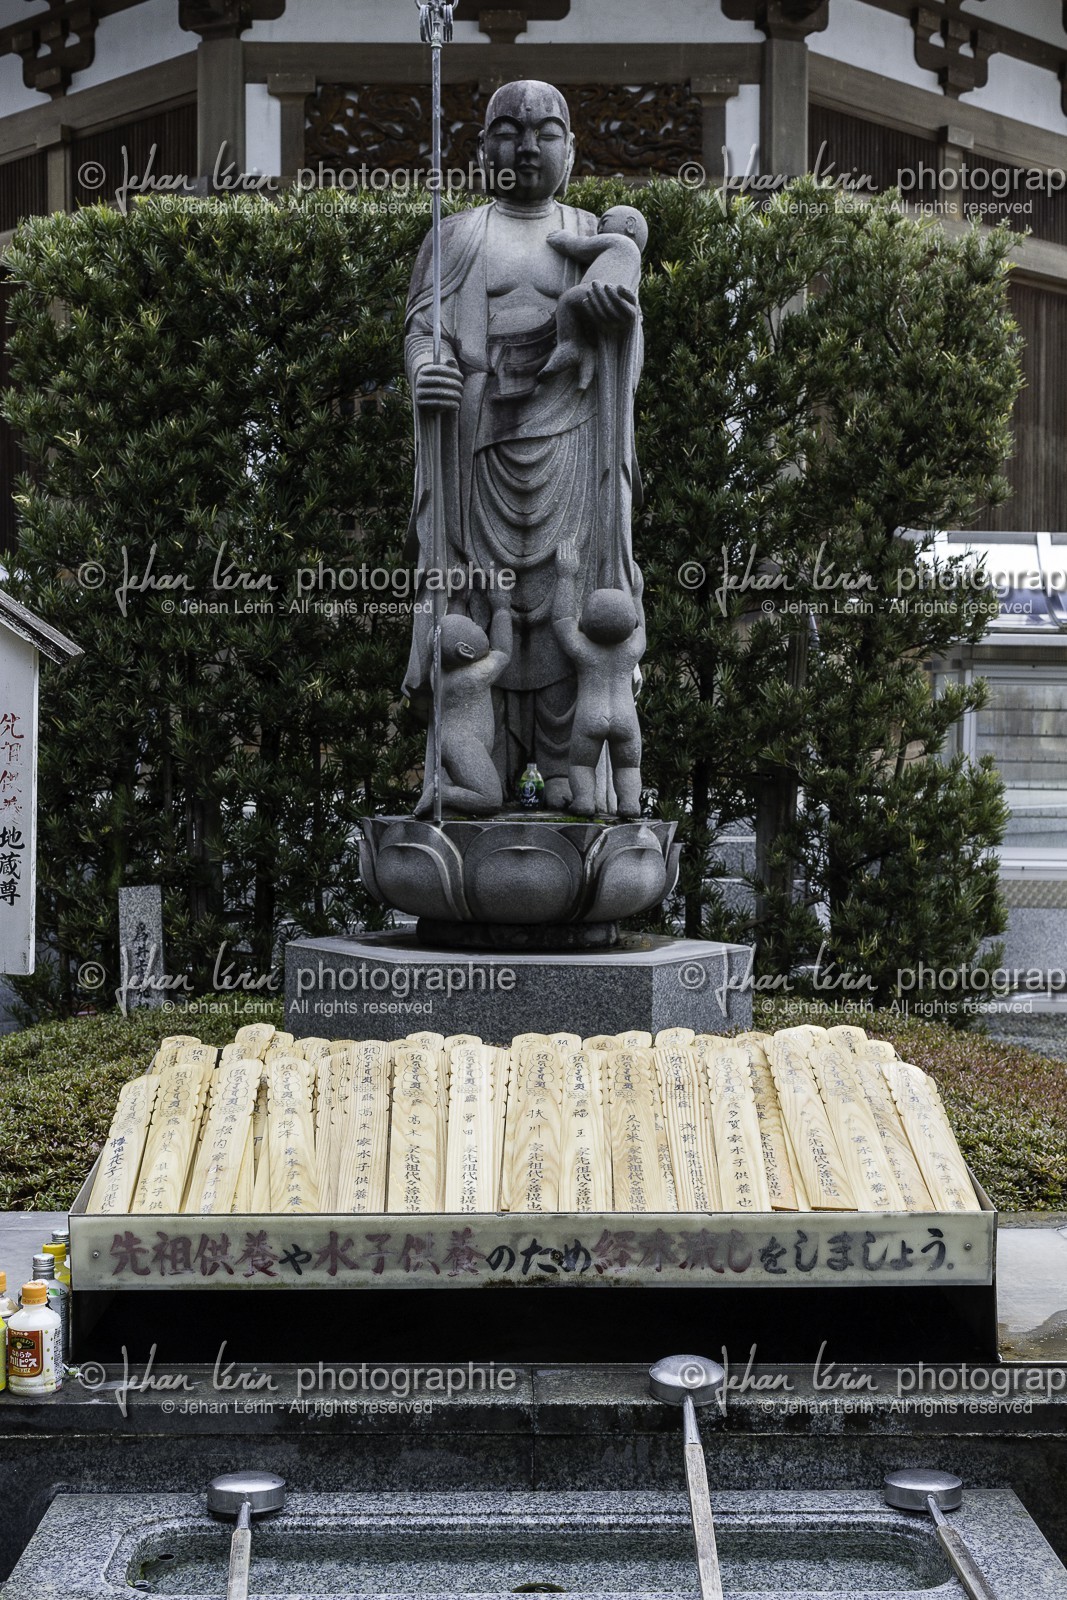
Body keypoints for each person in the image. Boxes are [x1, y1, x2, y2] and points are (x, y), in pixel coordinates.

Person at [402, 80, 644, 812]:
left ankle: (571, 774)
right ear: (483, 150)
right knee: (477, 601)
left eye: (545, 132)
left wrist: (615, 317)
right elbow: (423, 327)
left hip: (569, 434)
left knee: (570, 591)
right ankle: (476, 770)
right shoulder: (456, 235)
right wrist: (426, 372)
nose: (526, 145)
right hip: (479, 442)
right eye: (508, 130)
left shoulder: (589, 230)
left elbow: (624, 343)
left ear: (570, 150)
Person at [552, 541, 644, 818]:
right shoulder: (631, 650)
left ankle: (584, 800)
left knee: (581, 764)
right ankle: (629, 803)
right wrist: (637, 595)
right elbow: (641, 628)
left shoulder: (583, 649)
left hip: (590, 714)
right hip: (626, 717)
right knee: (628, 767)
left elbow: (562, 621)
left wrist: (566, 577)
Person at [414, 587, 513, 818]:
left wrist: (457, 601)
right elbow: (503, 653)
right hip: (463, 744)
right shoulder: (473, 677)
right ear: (467, 651)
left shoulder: (437, 674)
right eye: (475, 627)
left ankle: (448, 802)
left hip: (447, 740)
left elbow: (446, 637)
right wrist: (501, 608)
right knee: (490, 798)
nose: (479, 627)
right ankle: (441, 794)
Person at [540, 205, 648, 392]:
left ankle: (569, 343)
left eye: (604, 222)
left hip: (594, 293)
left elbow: (581, 247)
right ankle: (583, 355)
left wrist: (566, 240)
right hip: (606, 301)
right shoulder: (635, 263)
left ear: (629, 225)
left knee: (567, 300)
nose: (599, 228)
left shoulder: (620, 242)